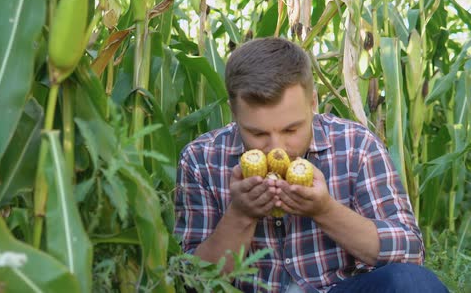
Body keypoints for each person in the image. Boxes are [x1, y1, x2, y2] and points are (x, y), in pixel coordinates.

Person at [174, 37, 447, 292]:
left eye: (291, 130)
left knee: (411, 282)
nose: (276, 148)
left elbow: (409, 251)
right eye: (258, 134)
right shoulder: (201, 159)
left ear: (313, 102)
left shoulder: (356, 145)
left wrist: (325, 210)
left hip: (335, 288)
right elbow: (192, 282)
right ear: (234, 114)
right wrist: (241, 215)